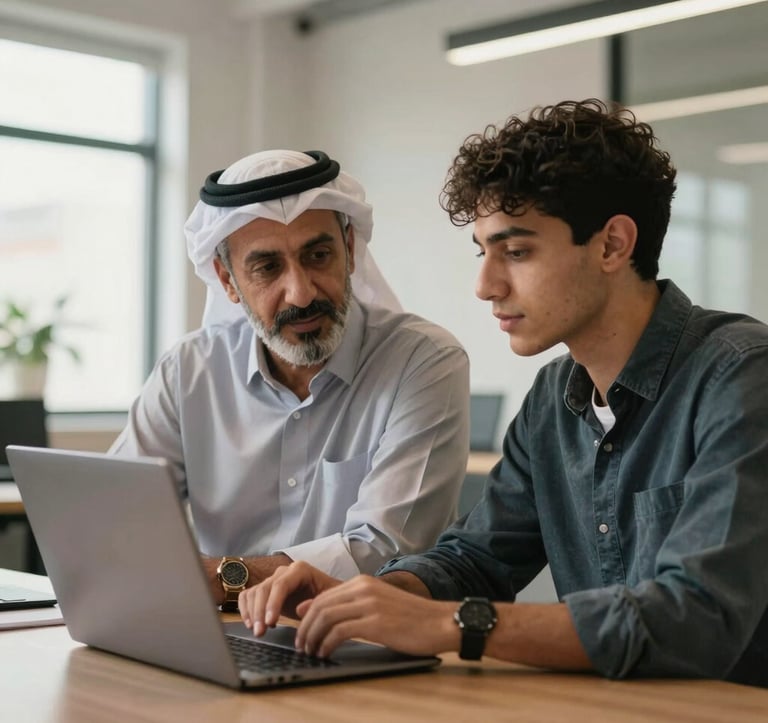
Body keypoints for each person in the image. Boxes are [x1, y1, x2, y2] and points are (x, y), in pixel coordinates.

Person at [237, 101, 768, 687]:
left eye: (516, 252)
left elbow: (694, 621)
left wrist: (456, 625)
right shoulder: (552, 398)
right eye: (484, 252)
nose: (486, 286)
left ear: (613, 245)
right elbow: (477, 558)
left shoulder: (742, 377)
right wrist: (363, 598)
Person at [110, 149, 470, 609]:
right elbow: (120, 514)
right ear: (227, 279)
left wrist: (223, 577)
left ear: (350, 250)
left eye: (318, 255)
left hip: (370, 642)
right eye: (267, 268)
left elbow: (388, 548)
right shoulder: (189, 371)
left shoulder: (423, 361)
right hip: (222, 635)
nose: (301, 292)